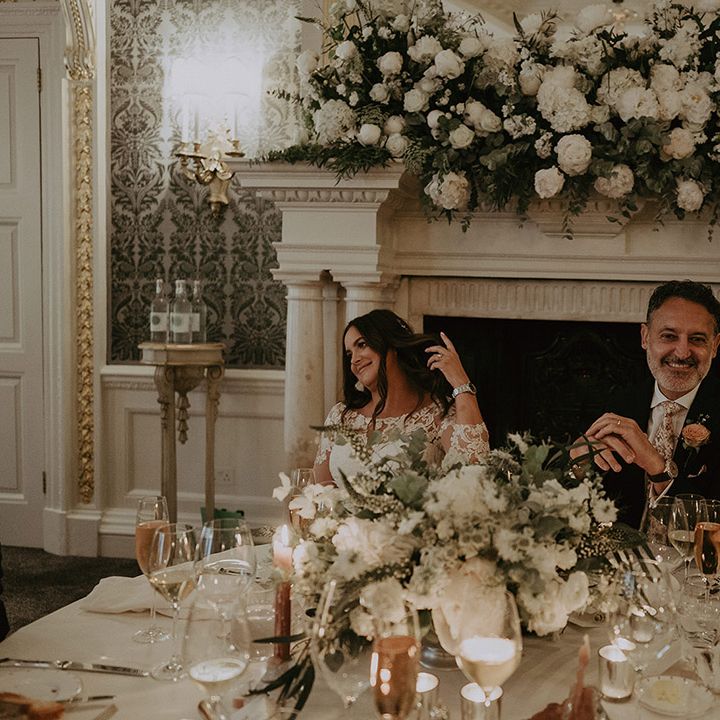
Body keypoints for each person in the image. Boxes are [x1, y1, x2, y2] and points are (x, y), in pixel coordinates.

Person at [571, 280, 720, 528]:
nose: (682, 352)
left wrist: (658, 467)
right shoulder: (612, 401)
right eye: (669, 336)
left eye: (697, 339)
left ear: (714, 346)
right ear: (645, 337)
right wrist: (578, 466)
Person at [314, 309, 490, 485]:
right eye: (349, 354)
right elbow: (317, 491)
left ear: (393, 346)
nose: (354, 361)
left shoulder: (438, 413)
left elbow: (475, 472)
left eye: (362, 344)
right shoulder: (341, 415)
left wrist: (461, 383)